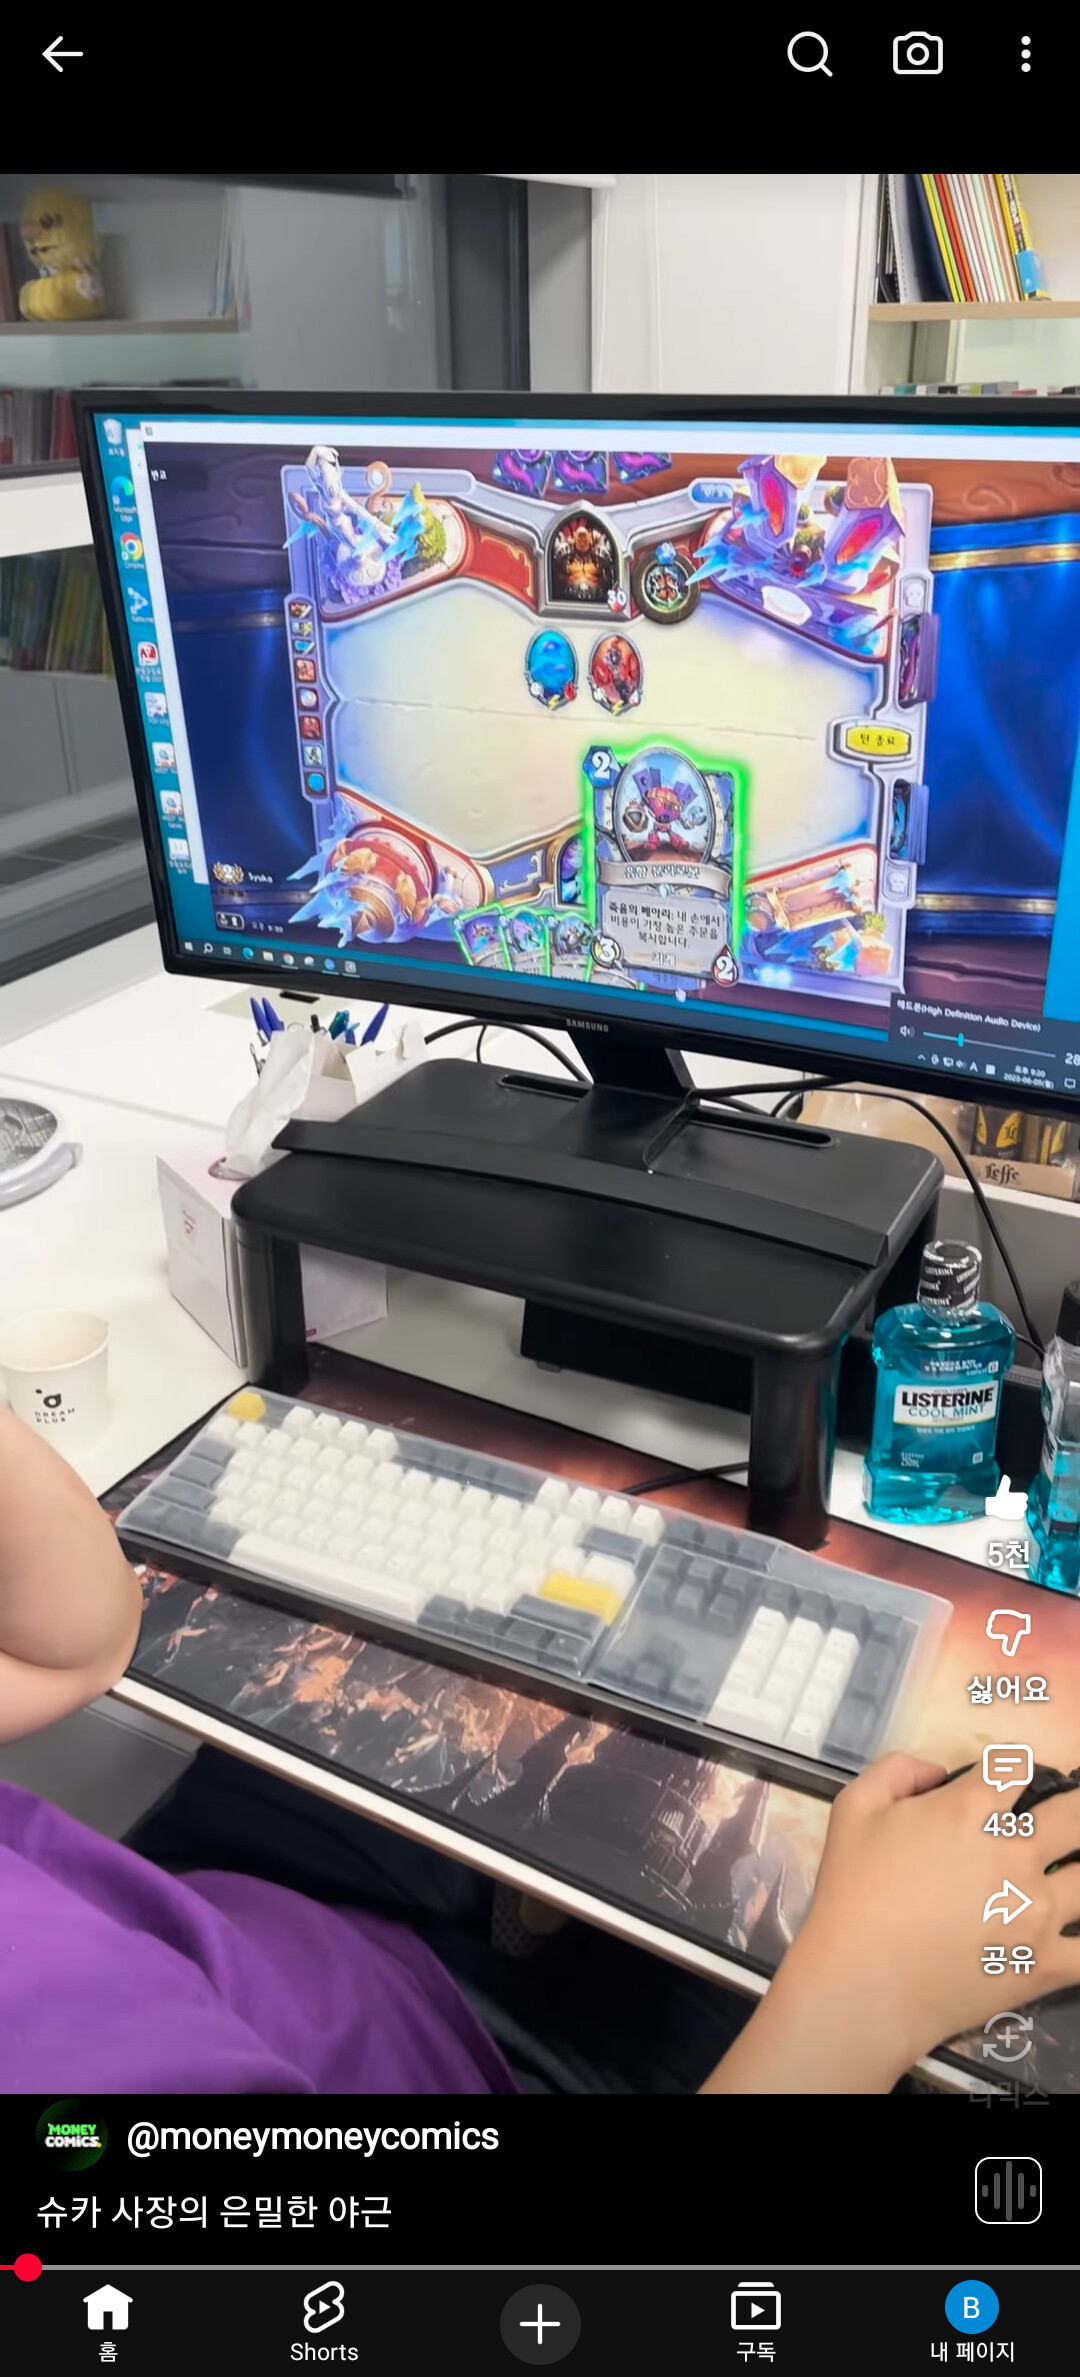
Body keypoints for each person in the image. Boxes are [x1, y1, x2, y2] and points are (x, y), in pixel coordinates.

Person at [2, 1409, 1079, 2094]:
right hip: (436, 2061)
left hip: (241, 1941)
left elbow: (75, 1640)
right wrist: (875, 1987)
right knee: (732, 1925)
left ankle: (535, 1920)